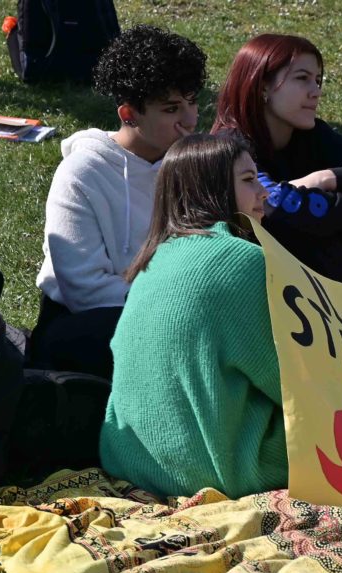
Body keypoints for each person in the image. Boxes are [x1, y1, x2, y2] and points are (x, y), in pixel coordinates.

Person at [100, 134, 285, 499]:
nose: (263, 193)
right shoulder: (243, 261)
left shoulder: (152, 260)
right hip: (220, 469)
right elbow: (292, 383)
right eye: (249, 180)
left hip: (134, 461)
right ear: (213, 188)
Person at [31, 25, 206, 378]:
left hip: (175, 309)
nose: (189, 121)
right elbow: (85, 289)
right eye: (172, 109)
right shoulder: (82, 173)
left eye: (191, 103)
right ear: (128, 115)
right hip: (87, 323)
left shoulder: (191, 163)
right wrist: (177, 304)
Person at [212, 34, 342, 290]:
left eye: (318, 81)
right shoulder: (230, 147)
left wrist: (324, 179)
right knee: (322, 219)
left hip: (315, 278)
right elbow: (273, 207)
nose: (316, 92)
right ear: (262, 86)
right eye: (302, 78)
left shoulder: (312, 135)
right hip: (257, 279)